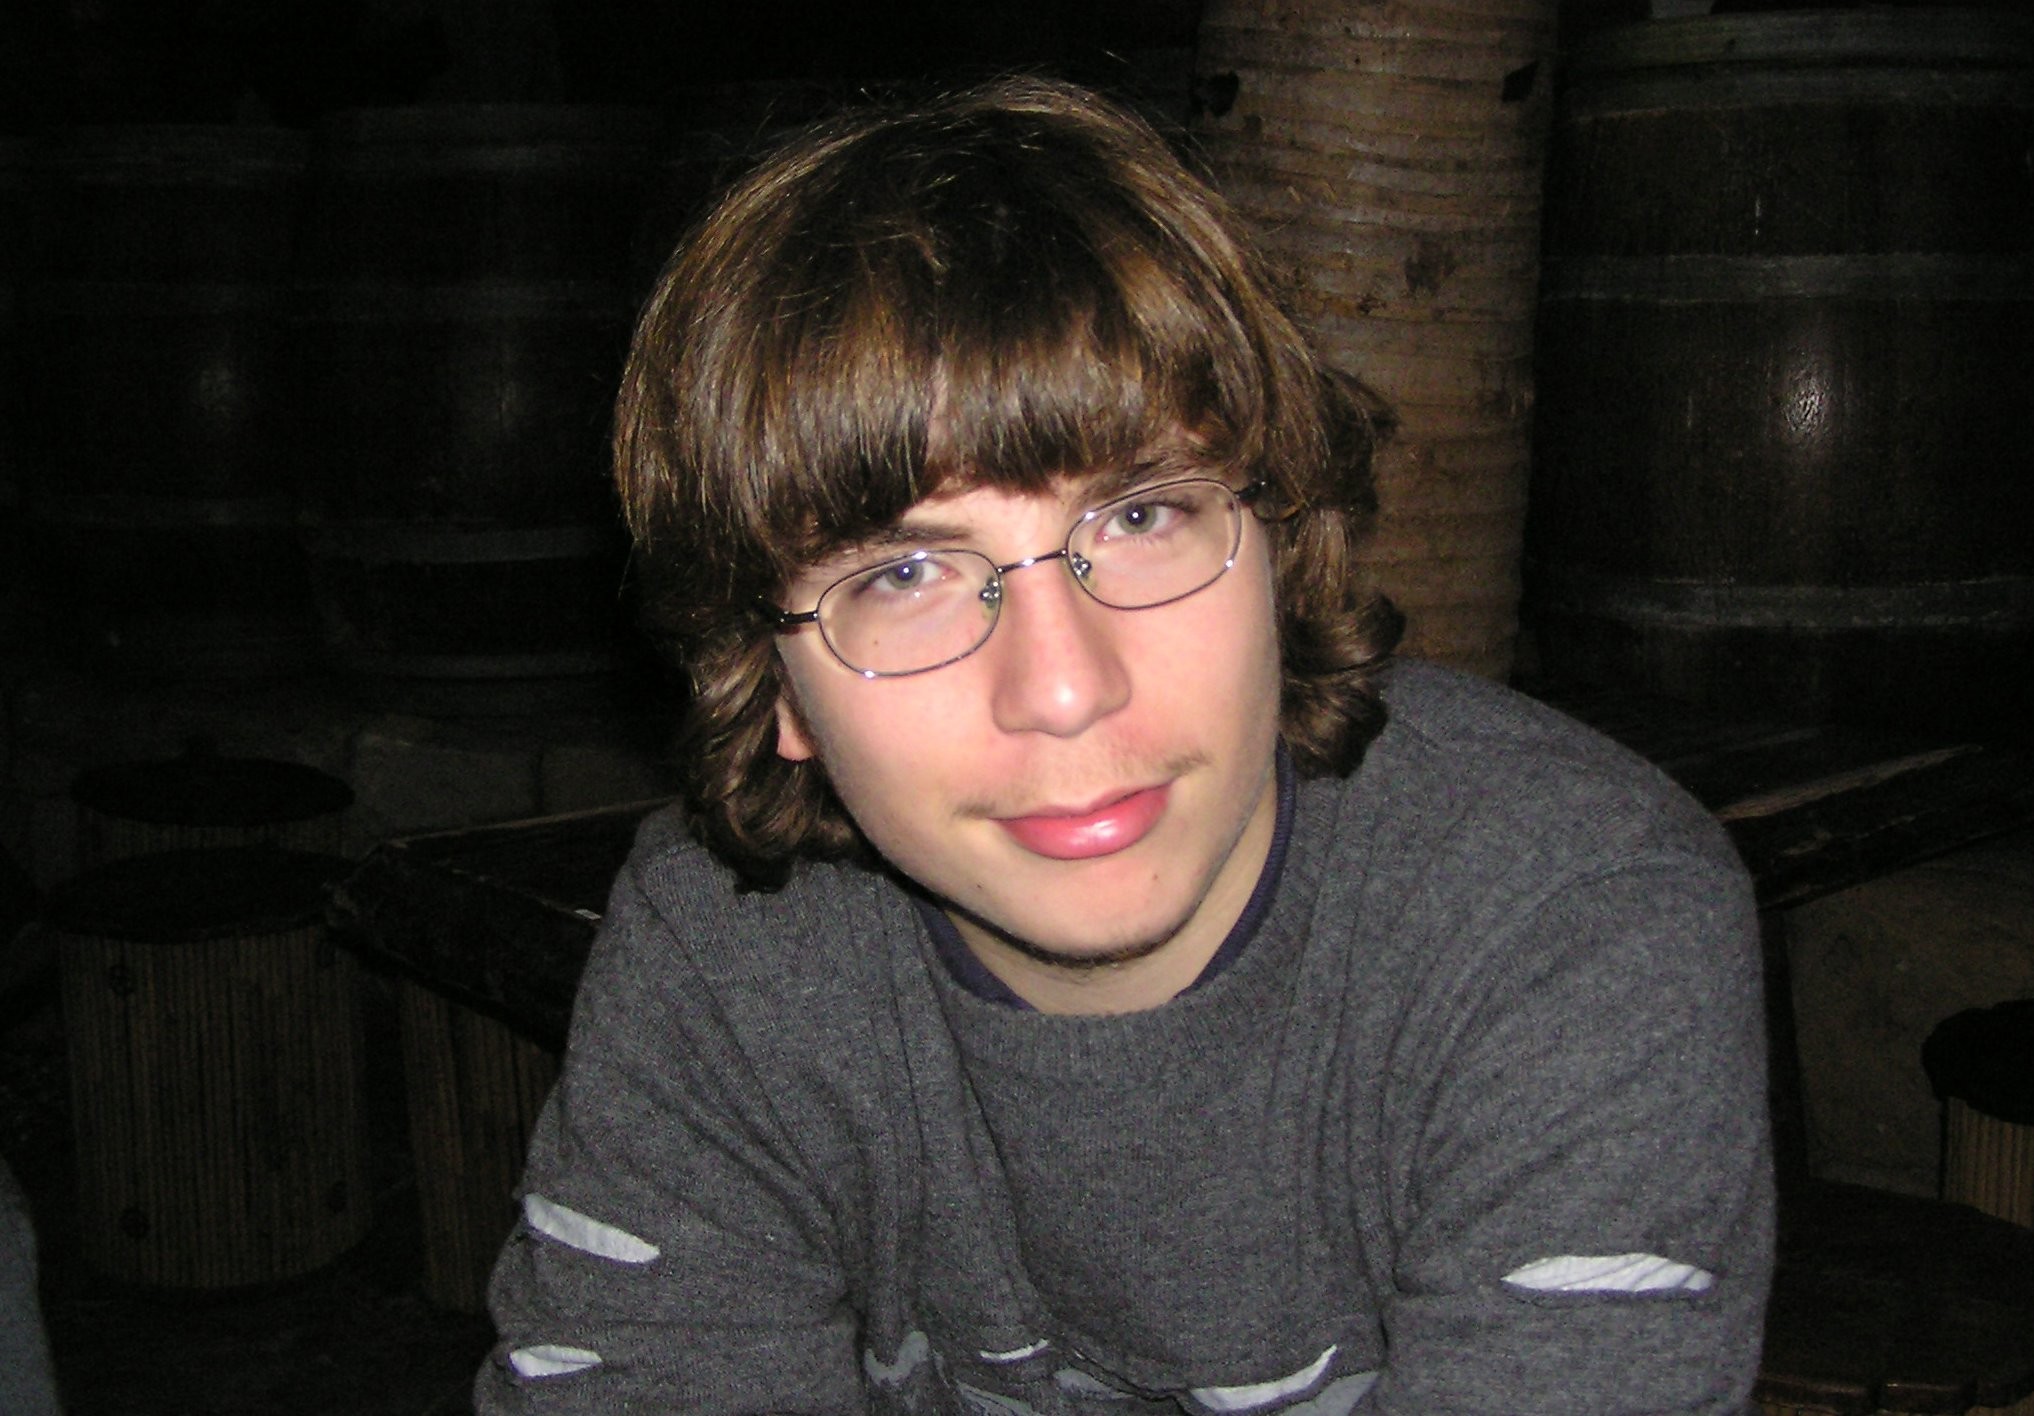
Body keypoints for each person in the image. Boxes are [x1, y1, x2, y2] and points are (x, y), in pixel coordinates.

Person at [478, 76, 1773, 1414]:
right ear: (775, 686)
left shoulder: (1569, 917)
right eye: (906, 575)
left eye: (1142, 516)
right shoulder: (724, 960)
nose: (1063, 689)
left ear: (1279, 545)